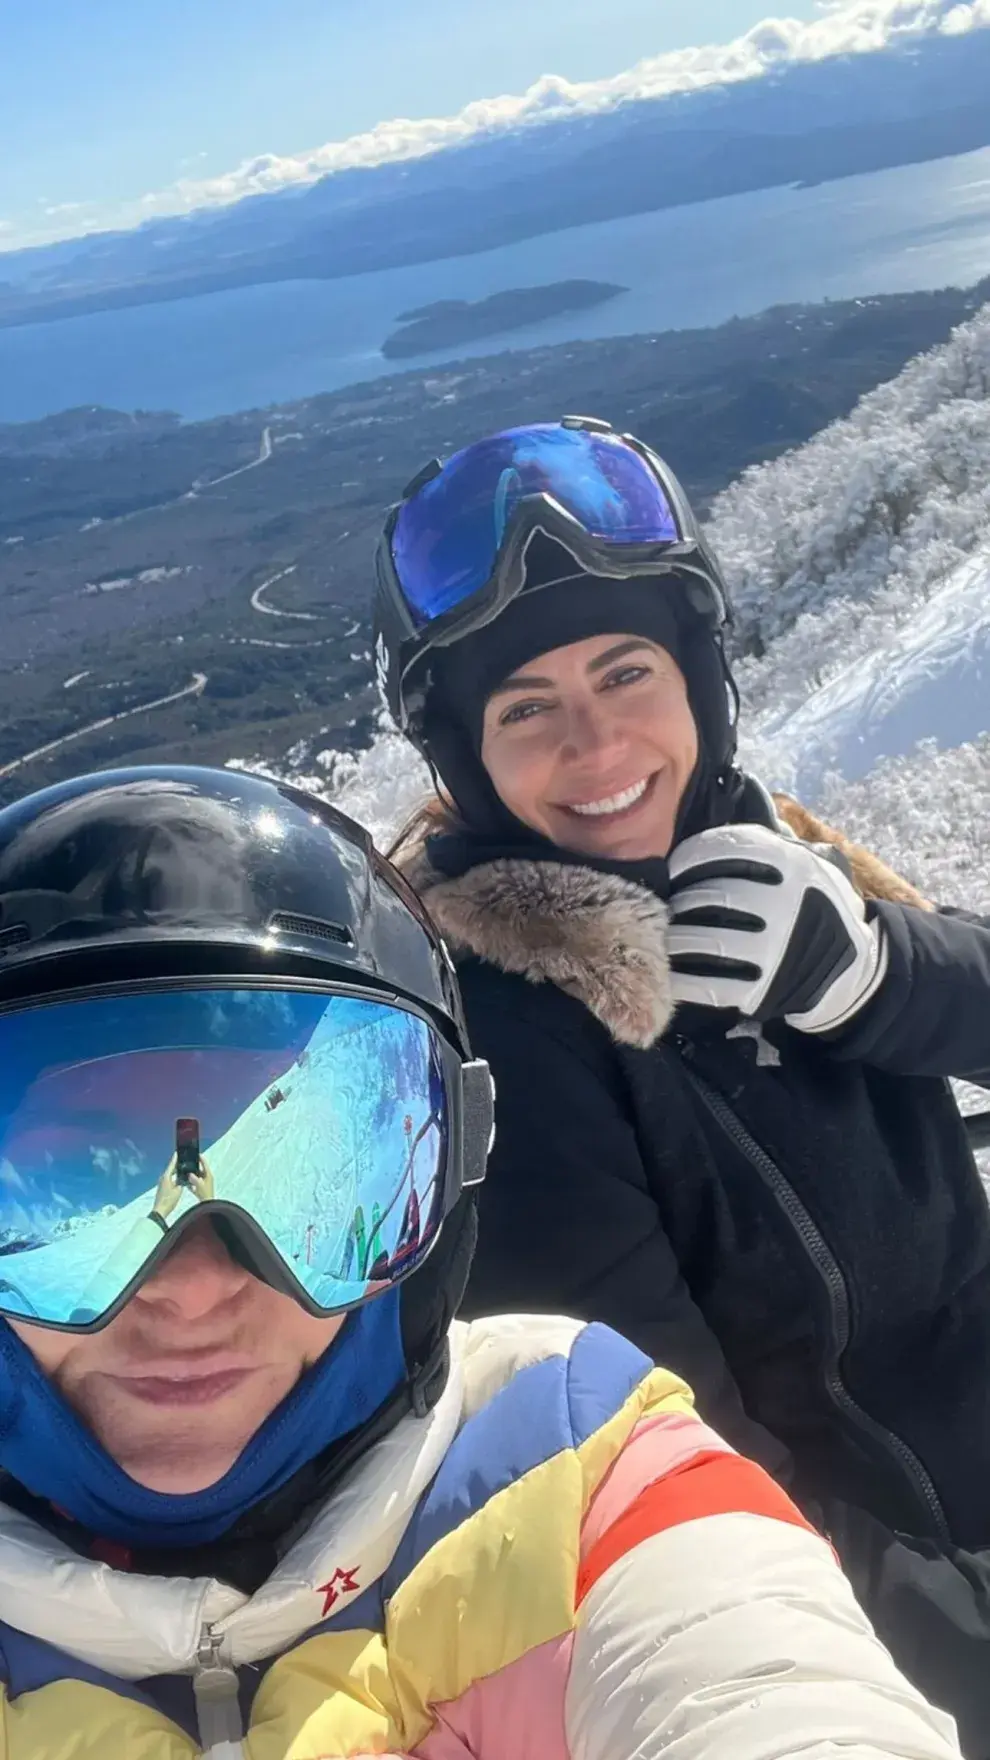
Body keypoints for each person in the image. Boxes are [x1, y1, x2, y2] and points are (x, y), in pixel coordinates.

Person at [0, 763, 959, 1760]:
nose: (193, 1287)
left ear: (442, 1168)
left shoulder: (574, 1461)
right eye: (78, 1187)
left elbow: (771, 1689)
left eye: (311, 1191)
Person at [374, 416, 990, 1752]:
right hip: (888, 1588)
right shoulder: (494, 1040)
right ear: (460, 757)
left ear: (699, 680)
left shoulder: (763, 851)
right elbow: (667, 1456)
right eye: (525, 709)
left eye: (624, 671)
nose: (597, 749)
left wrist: (882, 970)